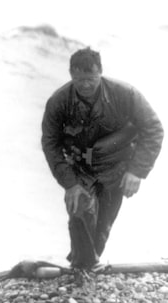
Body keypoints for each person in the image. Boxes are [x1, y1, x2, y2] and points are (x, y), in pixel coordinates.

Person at [41, 47, 163, 287]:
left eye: (91, 79)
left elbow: (153, 129)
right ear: (70, 75)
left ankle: (86, 263)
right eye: (79, 80)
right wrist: (70, 183)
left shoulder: (125, 94)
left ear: (101, 73)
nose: (85, 85)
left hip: (117, 166)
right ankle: (82, 268)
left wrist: (137, 171)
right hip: (81, 167)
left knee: (102, 227)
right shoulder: (58, 102)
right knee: (80, 211)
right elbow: (50, 144)